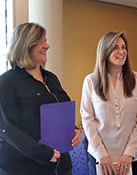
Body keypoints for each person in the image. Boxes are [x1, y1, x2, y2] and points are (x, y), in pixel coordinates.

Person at [0, 22, 82, 175]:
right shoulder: (7, 82)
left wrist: (73, 130)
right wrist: (43, 153)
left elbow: (60, 113)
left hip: (61, 165)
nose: (47, 45)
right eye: (40, 41)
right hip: (24, 167)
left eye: (46, 40)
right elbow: (7, 129)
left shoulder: (51, 78)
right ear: (25, 45)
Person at [80, 31, 137, 175]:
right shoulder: (90, 81)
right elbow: (87, 120)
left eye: (124, 47)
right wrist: (101, 154)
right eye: (115, 47)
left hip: (133, 157)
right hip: (101, 158)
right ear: (104, 51)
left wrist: (129, 153)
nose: (121, 51)